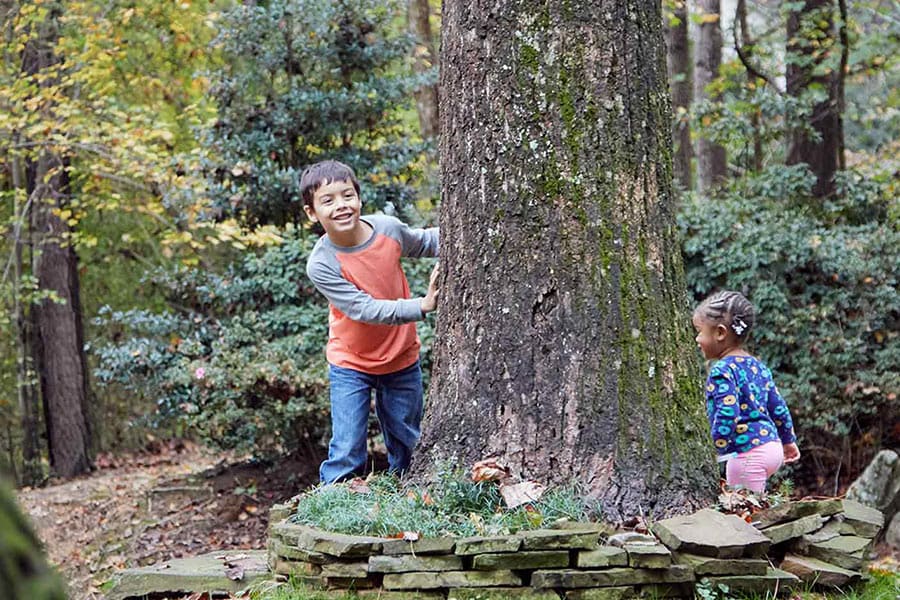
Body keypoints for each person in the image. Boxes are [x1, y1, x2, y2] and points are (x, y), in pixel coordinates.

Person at [302, 160, 439, 484]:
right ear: (312, 213)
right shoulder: (321, 263)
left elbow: (424, 241)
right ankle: (332, 502)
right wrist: (421, 305)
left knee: (407, 440)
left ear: (359, 198)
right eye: (328, 200)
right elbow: (363, 308)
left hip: (400, 357)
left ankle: (407, 494)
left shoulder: (388, 230)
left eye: (347, 195)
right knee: (348, 446)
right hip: (351, 364)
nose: (341, 206)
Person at [692, 290, 800, 493]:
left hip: (746, 453)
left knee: (744, 513)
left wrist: (712, 450)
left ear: (720, 333)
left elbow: (728, 412)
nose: (697, 339)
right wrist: (788, 441)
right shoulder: (757, 366)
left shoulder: (722, 370)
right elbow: (778, 407)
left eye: (700, 331)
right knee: (753, 507)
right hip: (772, 447)